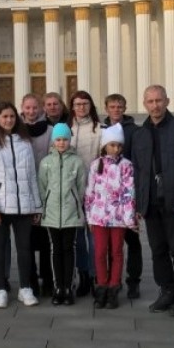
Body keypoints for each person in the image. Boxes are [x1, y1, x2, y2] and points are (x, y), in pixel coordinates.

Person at [131, 85, 174, 317]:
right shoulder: (140, 134)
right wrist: (139, 205)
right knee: (158, 250)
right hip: (151, 203)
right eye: (150, 101)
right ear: (144, 104)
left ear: (167, 101)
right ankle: (166, 291)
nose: (155, 105)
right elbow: (138, 172)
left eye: (159, 100)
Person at [0, 102, 43, 309]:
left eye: (12, 116)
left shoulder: (25, 142)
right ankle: (0, 289)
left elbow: (32, 176)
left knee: (25, 249)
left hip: (24, 206)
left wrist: (37, 206)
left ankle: (25, 288)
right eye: (4, 116)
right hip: (1, 206)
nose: (8, 120)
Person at [85, 124, 136, 309]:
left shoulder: (126, 165)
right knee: (99, 252)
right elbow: (89, 192)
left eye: (119, 145)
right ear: (105, 145)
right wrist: (89, 215)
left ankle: (114, 288)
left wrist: (129, 218)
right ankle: (101, 286)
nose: (116, 149)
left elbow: (129, 192)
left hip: (118, 218)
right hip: (99, 217)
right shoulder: (96, 165)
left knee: (116, 252)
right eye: (112, 145)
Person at [37, 123, 86, 306]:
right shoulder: (46, 162)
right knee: (55, 250)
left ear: (69, 140)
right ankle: (58, 287)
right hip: (51, 213)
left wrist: (75, 202)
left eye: (65, 139)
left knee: (69, 249)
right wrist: (45, 206)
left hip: (70, 214)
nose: (61, 143)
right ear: (53, 141)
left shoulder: (77, 162)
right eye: (58, 139)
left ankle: (68, 287)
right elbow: (42, 187)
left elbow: (81, 188)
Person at [101, 93, 142, 299]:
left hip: (128, 194)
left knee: (132, 241)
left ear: (125, 108)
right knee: (110, 245)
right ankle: (110, 282)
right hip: (107, 200)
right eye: (112, 106)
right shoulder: (101, 129)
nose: (116, 110)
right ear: (106, 109)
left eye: (119, 106)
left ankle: (133, 281)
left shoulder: (135, 131)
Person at [68, 90, 102, 297]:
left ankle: (96, 275)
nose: (81, 107)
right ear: (72, 107)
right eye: (77, 104)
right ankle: (83, 276)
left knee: (95, 238)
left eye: (85, 104)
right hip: (72, 192)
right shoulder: (67, 129)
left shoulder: (99, 130)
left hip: (94, 192)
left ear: (90, 106)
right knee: (78, 239)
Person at [21, 93, 53, 297]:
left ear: (41, 108)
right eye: (28, 108)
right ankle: (30, 280)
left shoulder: (49, 130)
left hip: (45, 189)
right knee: (26, 241)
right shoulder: (17, 130)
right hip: (24, 191)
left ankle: (48, 280)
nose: (31, 111)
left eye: (35, 107)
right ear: (22, 108)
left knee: (45, 240)